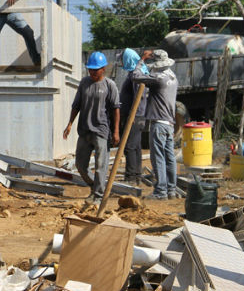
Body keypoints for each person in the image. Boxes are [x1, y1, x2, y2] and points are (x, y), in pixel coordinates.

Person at [63, 52, 120, 205]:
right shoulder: (84, 83)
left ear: (104, 69)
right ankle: (94, 187)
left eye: (96, 70)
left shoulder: (110, 85)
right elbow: (76, 105)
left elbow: (116, 109)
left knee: (101, 166)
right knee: (80, 165)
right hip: (84, 130)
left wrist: (115, 132)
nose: (93, 73)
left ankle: (98, 196)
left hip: (101, 131)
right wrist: (69, 124)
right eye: (90, 70)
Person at [128, 49, 179, 200]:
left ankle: (160, 191)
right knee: (169, 157)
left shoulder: (158, 78)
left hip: (159, 123)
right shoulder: (172, 77)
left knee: (158, 157)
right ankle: (172, 190)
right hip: (170, 123)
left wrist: (141, 60)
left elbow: (135, 77)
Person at [119, 48, 150, 186]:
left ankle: (131, 178)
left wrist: (132, 115)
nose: (121, 61)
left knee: (130, 147)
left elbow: (139, 96)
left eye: (122, 58)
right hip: (137, 116)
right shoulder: (136, 73)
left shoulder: (135, 76)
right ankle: (136, 175)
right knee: (136, 146)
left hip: (135, 116)